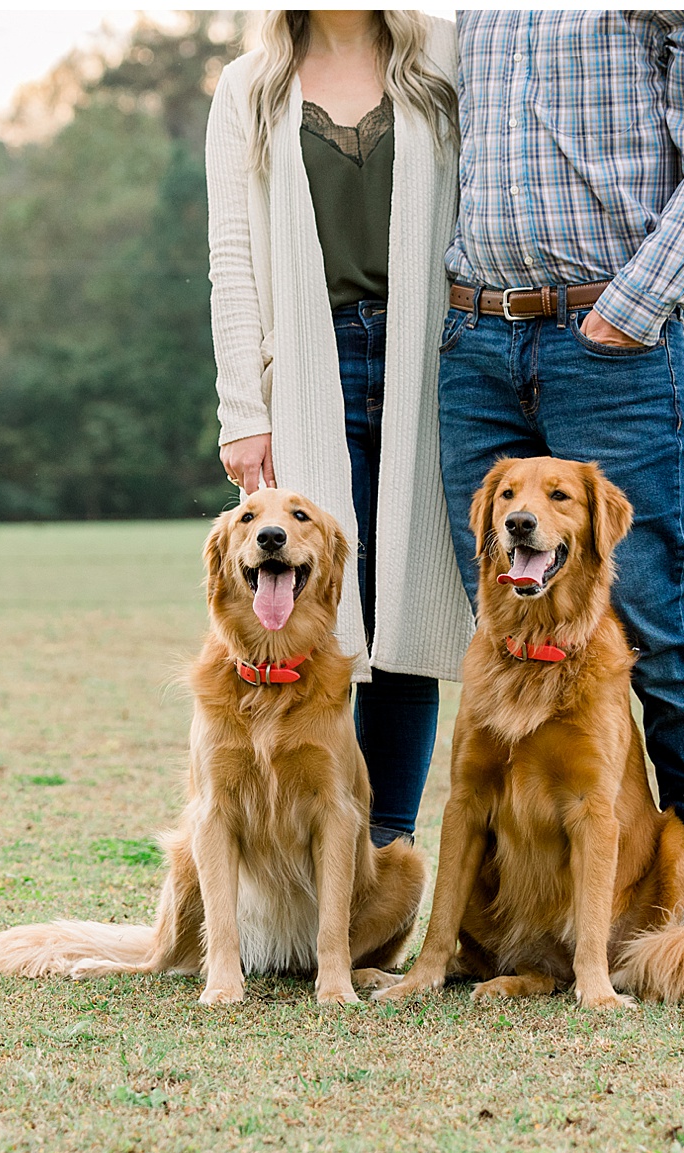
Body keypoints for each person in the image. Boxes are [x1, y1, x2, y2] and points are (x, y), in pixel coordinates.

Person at [435, 11, 684, 987]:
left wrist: (628, 312)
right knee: (504, 632)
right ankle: (507, 931)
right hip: (478, 342)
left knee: (660, 641)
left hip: (611, 343)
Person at [207, 11, 471, 848]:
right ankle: (316, 855)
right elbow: (234, 262)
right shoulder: (249, 84)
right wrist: (243, 410)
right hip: (307, 376)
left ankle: (383, 860)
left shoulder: (444, 54)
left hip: (427, 362)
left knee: (406, 613)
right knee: (318, 620)